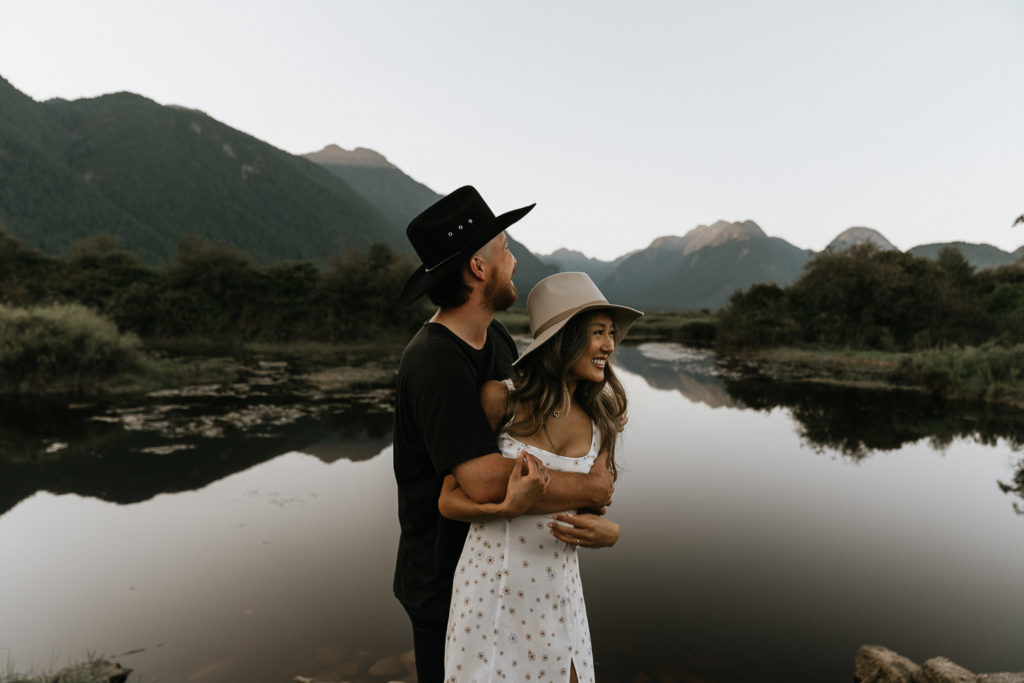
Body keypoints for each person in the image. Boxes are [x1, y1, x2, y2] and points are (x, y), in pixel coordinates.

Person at [393, 187, 617, 683]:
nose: (514, 262)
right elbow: (484, 480)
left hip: (511, 572)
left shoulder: (493, 338)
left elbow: (531, 429)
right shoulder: (434, 360)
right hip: (445, 578)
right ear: (478, 267)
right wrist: (589, 487)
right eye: (507, 249)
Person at [438, 271, 643, 683]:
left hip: (561, 595)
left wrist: (611, 534)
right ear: (564, 339)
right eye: (598, 332)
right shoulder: (502, 401)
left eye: (612, 333)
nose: (610, 345)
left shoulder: (604, 423)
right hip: (491, 589)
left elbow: (597, 502)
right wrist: (506, 506)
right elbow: (447, 500)